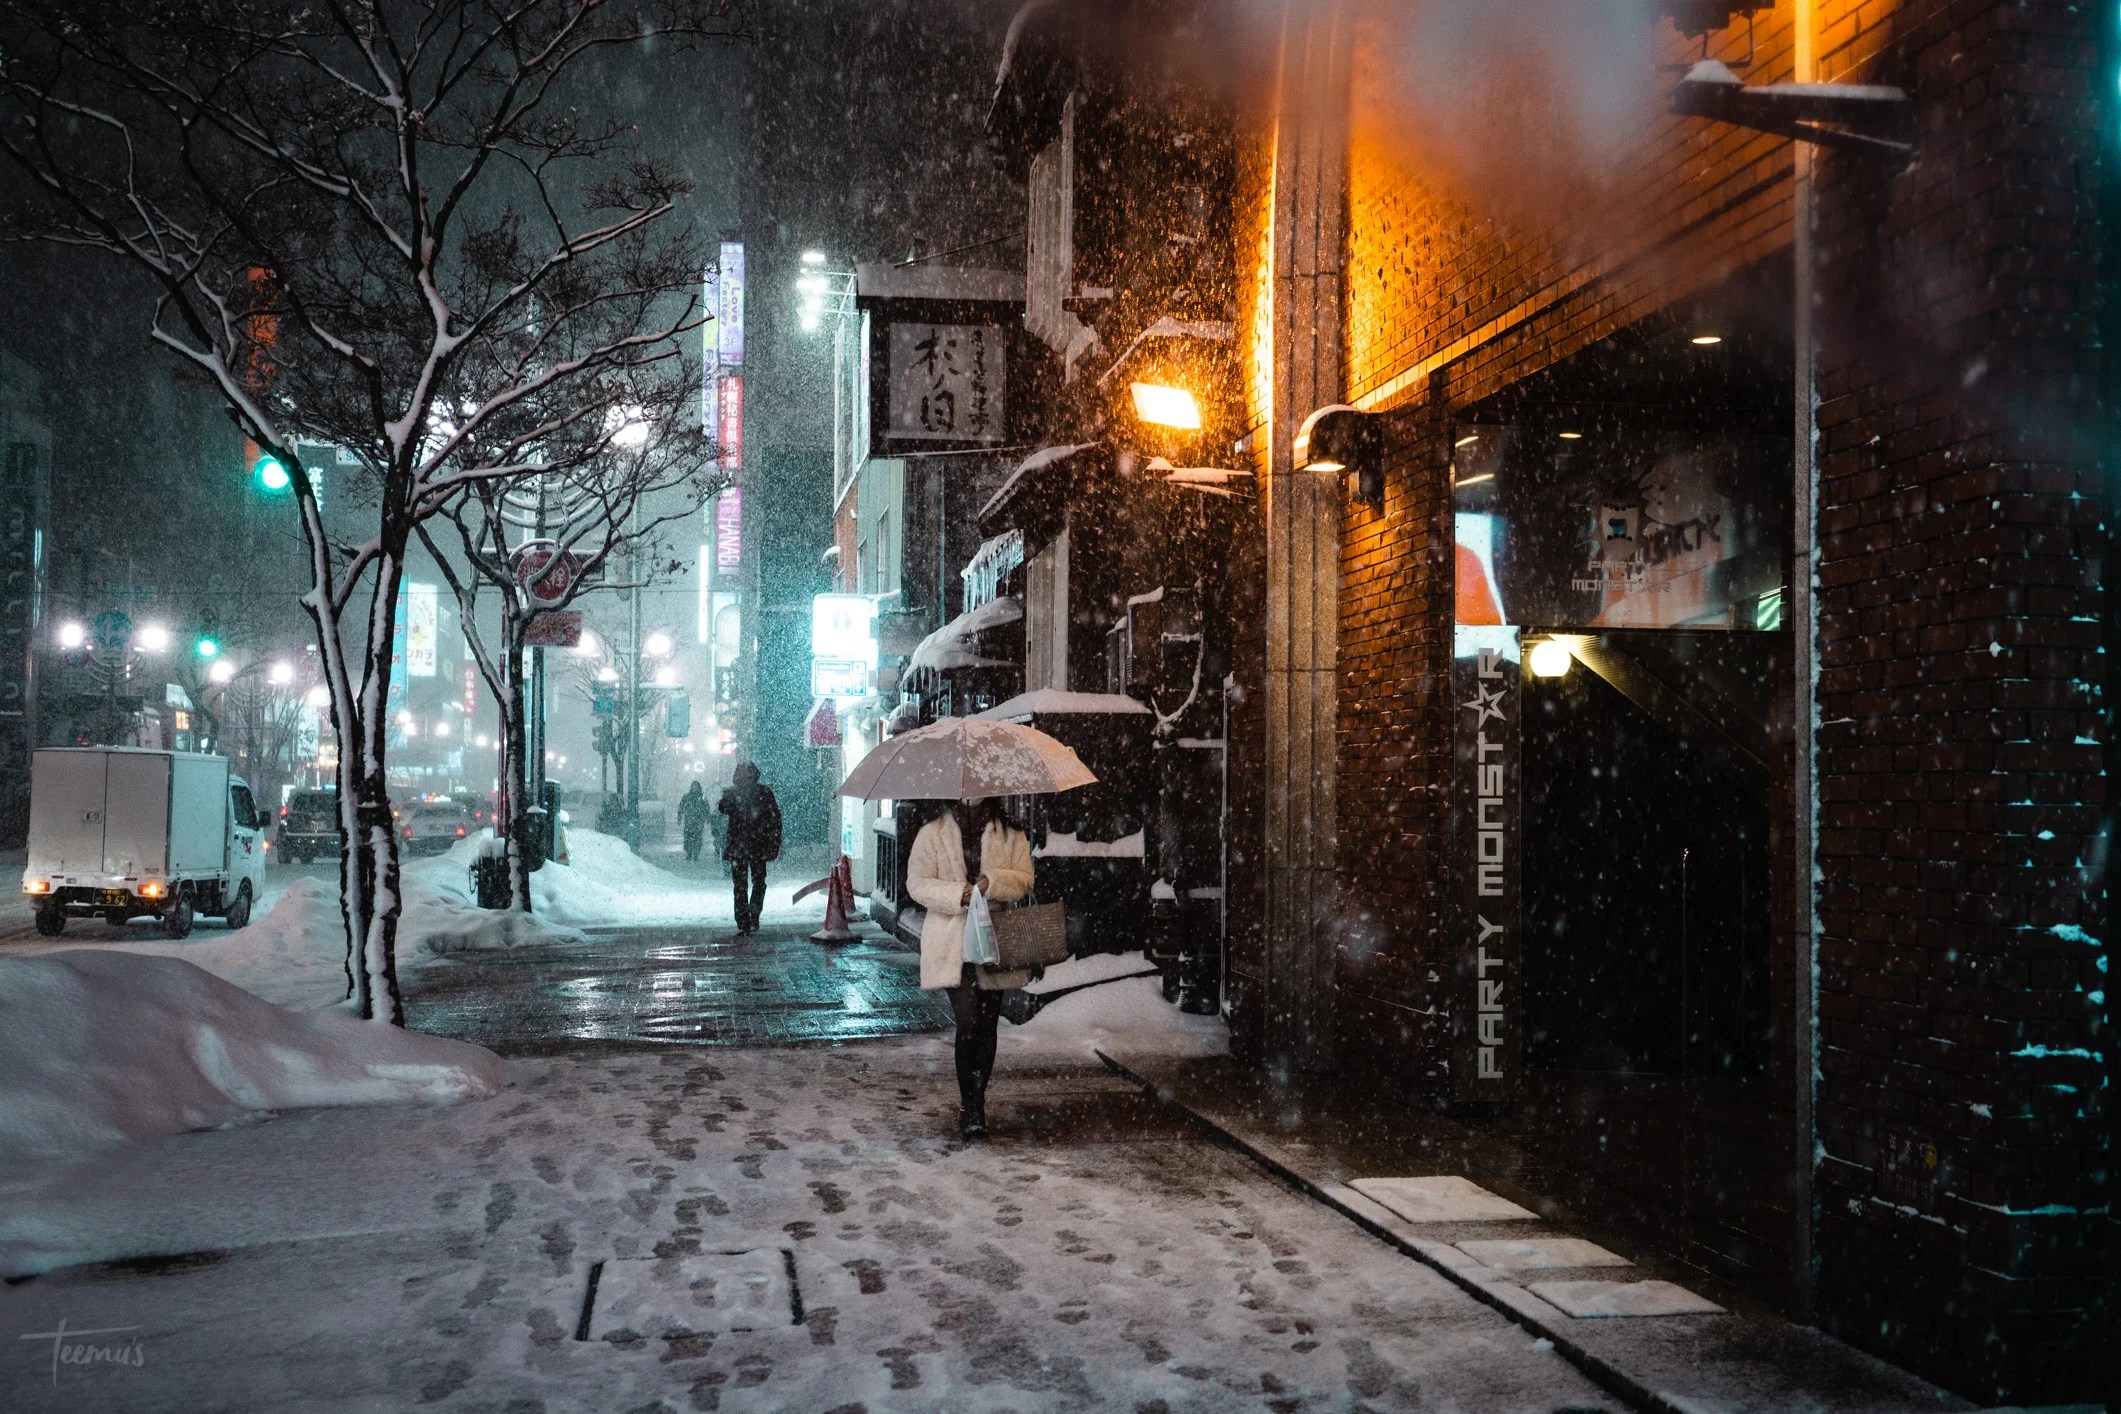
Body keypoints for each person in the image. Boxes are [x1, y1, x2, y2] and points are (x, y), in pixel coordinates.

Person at [904, 799, 1035, 1141]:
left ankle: (978, 1101)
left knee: (988, 1024)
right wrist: (955, 893)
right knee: (968, 1023)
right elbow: (916, 882)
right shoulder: (933, 832)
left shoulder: (1010, 833)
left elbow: (1024, 879)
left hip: (994, 940)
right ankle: (970, 1106)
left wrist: (995, 882)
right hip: (952, 942)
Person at [716, 763, 781, 935]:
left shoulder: (734, 793)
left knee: (740, 886)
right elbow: (775, 820)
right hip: (758, 846)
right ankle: (753, 914)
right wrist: (773, 843)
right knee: (758, 882)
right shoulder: (764, 793)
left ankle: (744, 921)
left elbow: (722, 808)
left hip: (739, 848)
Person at [677, 781, 709, 863]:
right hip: (689, 822)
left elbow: (706, 807)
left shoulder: (702, 797)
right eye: (693, 786)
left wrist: (707, 817)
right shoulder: (687, 796)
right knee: (688, 838)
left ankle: (695, 854)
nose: (695, 788)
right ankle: (689, 853)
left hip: (698, 822)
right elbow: (681, 807)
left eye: (696, 786)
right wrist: (679, 818)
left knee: (697, 839)